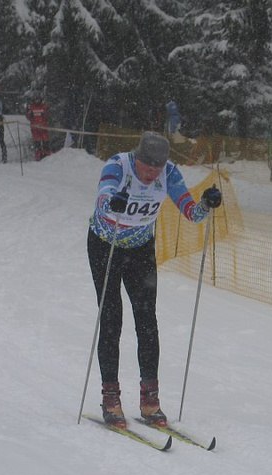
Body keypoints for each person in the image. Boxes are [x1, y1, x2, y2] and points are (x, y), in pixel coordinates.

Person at [87, 131, 222, 429]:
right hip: (105, 246)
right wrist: (113, 202)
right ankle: (110, 397)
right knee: (111, 318)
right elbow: (102, 197)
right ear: (138, 159)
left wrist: (206, 204)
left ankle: (150, 400)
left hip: (140, 250)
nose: (151, 174)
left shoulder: (169, 173)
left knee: (147, 320)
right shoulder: (118, 166)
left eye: (157, 169)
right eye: (147, 168)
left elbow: (192, 213)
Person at [26, 95, 51, 161]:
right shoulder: (31, 107)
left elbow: (48, 116)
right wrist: (29, 114)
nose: (37, 101)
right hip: (35, 129)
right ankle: (38, 156)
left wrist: (45, 114)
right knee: (37, 143)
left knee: (45, 142)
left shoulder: (44, 106)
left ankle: (47, 156)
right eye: (36, 99)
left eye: (38, 99)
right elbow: (28, 117)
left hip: (43, 128)